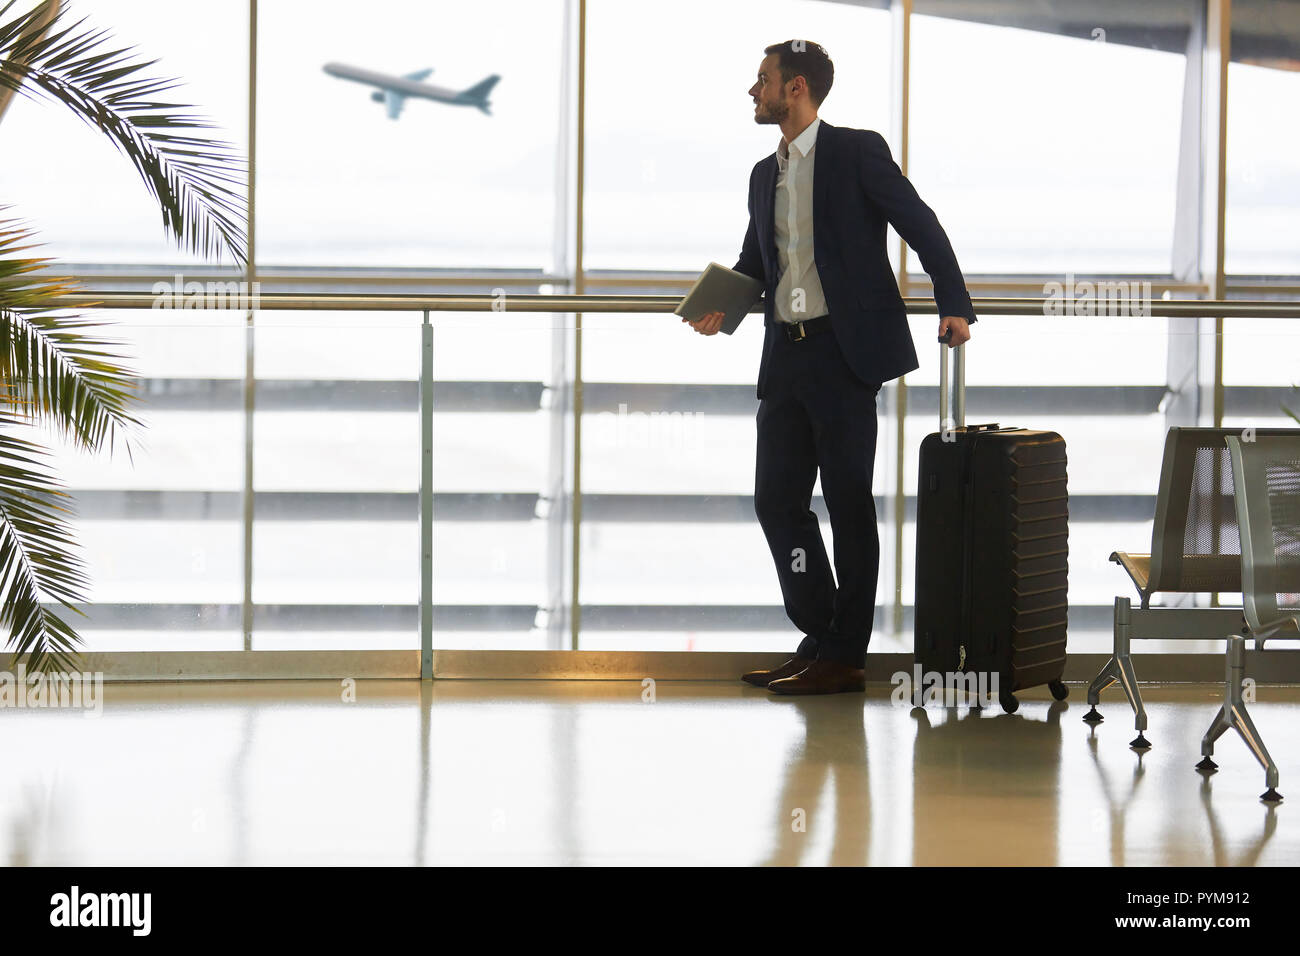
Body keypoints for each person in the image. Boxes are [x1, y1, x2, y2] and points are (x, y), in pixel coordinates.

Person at [684, 39, 976, 695]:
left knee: (847, 504)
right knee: (778, 501)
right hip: (785, 355)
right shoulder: (766, 173)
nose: (752, 91)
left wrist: (953, 303)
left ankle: (843, 655)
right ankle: (820, 628)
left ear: (796, 89)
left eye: (761, 80)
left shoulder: (855, 153)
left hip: (844, 357)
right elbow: (759, 262)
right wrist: (719, 306)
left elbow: (918, 223)